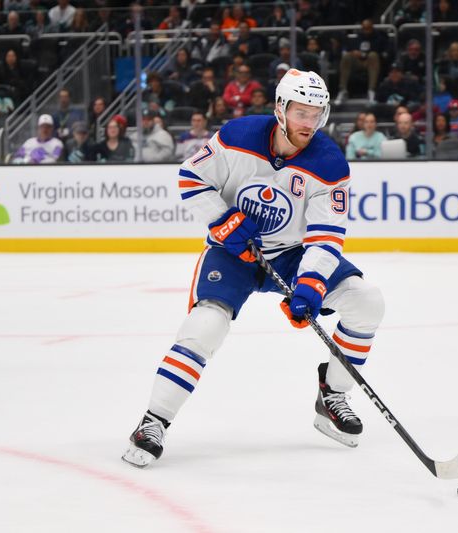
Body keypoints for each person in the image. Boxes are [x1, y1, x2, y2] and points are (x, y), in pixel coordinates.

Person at [122, 69, 385, 467]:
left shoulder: (329, 164)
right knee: (206, 326)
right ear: (280, 108)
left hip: (293, 255)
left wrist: (311, 284)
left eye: (316, 114)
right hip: (233, 254)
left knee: (367, 302)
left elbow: (326, 236)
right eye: (300, 113)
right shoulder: (238, 136)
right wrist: (223, 220)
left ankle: (332, 395)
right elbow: (192, 177)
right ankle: (153, 421)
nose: (308, 123)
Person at [334, 18, 387, 105]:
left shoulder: (379, 38)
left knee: (373, 55)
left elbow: (380, 53)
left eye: (368, 28)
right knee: (347, 56)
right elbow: (349, 48)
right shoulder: (358, 37)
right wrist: (353, 52)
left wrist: (363, 55)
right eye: (364, 28)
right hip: (358, 62)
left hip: (371, 62)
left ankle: (371, 91)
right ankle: (342, 90)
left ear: (372, 28)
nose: (366, 31)